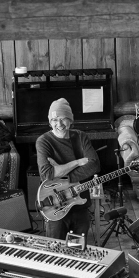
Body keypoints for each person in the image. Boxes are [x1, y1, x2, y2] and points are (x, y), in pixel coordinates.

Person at [36, 98, 100, 239]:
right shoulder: (43, 141)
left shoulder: (81, 136)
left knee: (78, 251)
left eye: (63, 119)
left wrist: (60, 173)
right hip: (55, 207)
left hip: (80, 204)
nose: (59, 124)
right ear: (49, 122)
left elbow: (94, 165)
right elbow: (47, 175)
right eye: (54, 120)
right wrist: (77, 162)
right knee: (56, 252)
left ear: (70, 120)